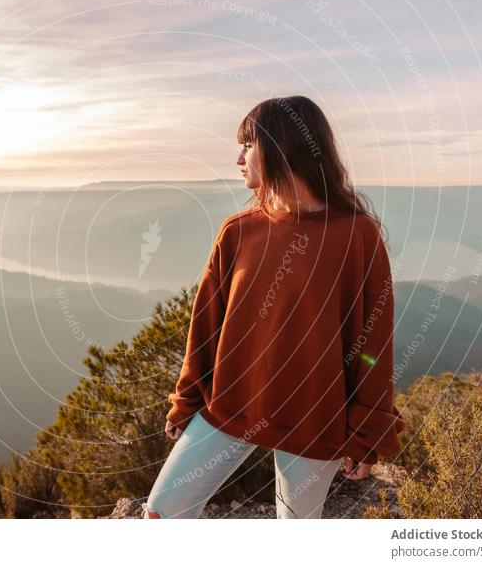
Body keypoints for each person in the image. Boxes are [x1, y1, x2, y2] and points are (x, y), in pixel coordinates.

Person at [143, 96, 406, 519]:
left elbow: (373, 342)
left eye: (247, 144)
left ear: (280, 147)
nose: (238, 158)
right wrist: (188, 397)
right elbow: (206, 323)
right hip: (231, 406)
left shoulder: (357, 235)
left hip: (315, 417)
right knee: (162, 512)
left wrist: (369, 431)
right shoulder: (238, 231)